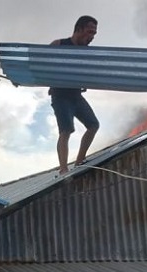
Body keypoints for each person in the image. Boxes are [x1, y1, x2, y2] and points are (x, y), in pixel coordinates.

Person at [50, 15, 100, 175]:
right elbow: (39, 64)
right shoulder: (59, 45)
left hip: (76, 95)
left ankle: (79, 160)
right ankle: (63, 168)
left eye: (94, 33)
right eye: (89, 32)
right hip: (60, 95)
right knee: (66, 131)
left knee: (93, 125)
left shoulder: (87, 52)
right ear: (79, 29)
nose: (91, 37)